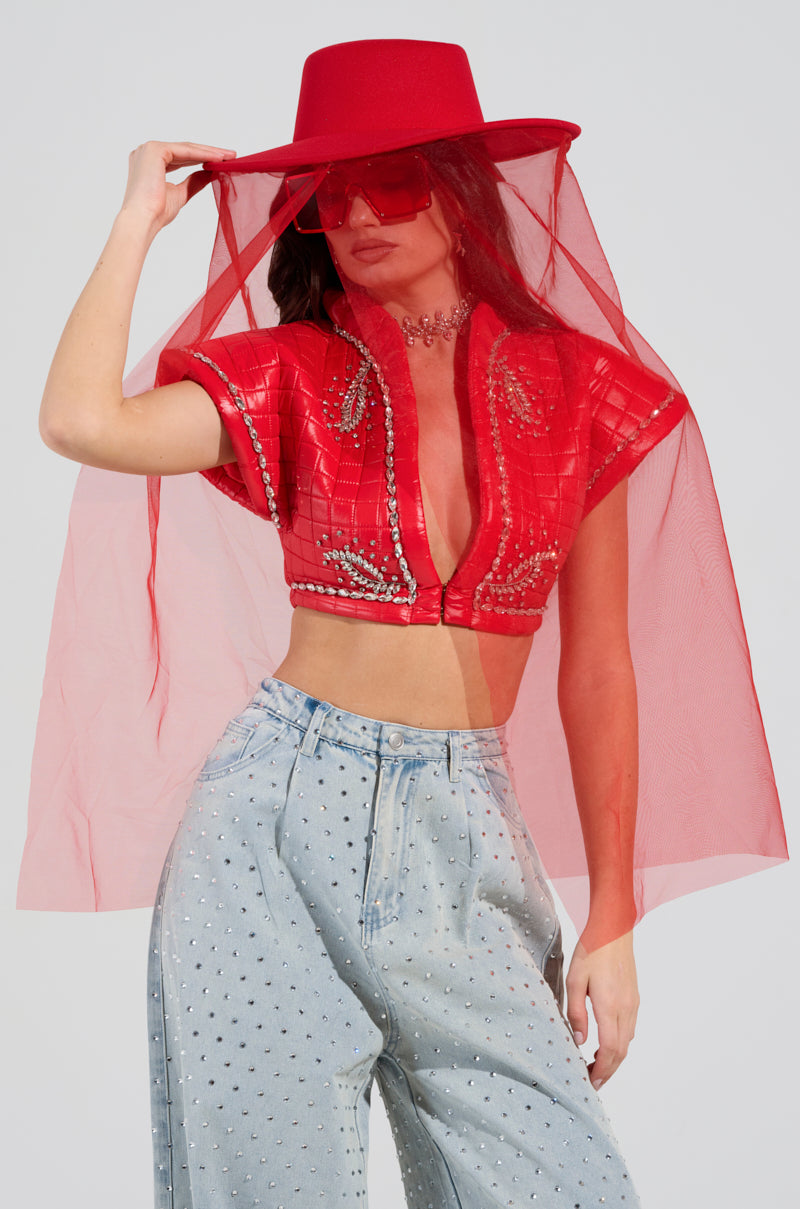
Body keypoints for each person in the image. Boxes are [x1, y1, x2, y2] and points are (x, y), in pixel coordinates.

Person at [19, 39, 787, 1208]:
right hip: (267, 827)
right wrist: (137, 219)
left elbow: (598, 666)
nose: (359, 217)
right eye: (327, 197)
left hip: (463, 832)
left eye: (392, 181)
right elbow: (81, 421)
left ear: (462, 188)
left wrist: (614, 914)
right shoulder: (287, 373)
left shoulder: (583, 386)